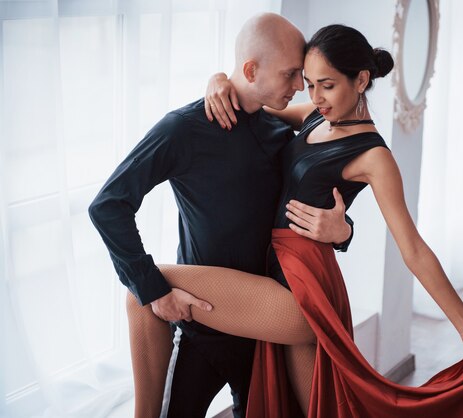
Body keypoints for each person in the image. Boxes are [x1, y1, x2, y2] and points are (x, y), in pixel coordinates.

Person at [130, 23, 463, 417]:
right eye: (309, 83)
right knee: (317, 408)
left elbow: (412, 248)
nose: (316, 95)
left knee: (142, 289)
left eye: (328, 85)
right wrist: (218, 79)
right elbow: (253, 97)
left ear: (361, 80)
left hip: (303, 280)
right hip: (273, 271)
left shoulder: (375, 156)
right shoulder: (315, 117)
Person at [88, 13, 354, 418]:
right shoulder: (183, 129)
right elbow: (108, 204)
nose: (299, 86)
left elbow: (318, 203)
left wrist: (344, 230)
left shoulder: (282, 132)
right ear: (251, 69)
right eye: (290, 74)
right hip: (201, 324)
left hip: (265, 329)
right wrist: (153, 289)